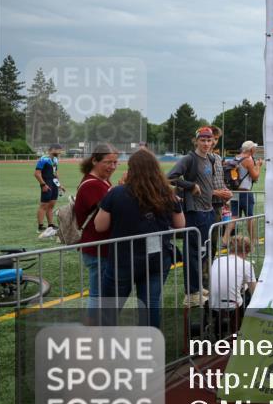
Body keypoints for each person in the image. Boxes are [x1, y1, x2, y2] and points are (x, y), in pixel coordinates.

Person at [95, 150, 185, 329]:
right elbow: (180, 224)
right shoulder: (167, 193)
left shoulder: (117, 192)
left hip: (123, 259)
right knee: (150, 306)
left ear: (131, 170)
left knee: (110, 308)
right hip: (157, 258)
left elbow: (100, 226)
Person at [167, 127, 233, 307]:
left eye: (209, 140)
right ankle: (191, 294)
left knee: (203, 252)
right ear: (196, 141)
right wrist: (190, 185)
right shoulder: (189, 159)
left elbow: (209, 185)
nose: (206, 143)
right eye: (202, 140)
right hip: (194, 211)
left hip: (208, 210)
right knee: (193, 253)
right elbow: (169, 178)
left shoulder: (210, 159)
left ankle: (197, 287)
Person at [73, 144, 119, 321]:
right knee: (98, 294)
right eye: (108, 162)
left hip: (101, 246)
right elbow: (111, 211)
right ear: (94, 161)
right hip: (97, 248)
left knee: (101, 293)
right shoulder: (92, 185)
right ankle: (93, 329)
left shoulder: (101, 181)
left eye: (115, 162)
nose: (112, 167)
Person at [209, 236, 257, 335]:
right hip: (233, 305)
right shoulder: (246, 264)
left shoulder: (217, 260)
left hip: (212, 303)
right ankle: (247, 326)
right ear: (246, 251)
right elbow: (254, 291)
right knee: (249, 295)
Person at [222, 141, 263, 246]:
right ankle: (253, 240)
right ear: (251, 149)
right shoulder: (248, 159)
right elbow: (255, 177)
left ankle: (225, 240)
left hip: (235, 191)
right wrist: (258, 166)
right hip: (245, 192)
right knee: (250, 217)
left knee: (234, 217)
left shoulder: (236, 157)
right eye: (254, 148)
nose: (255, 150)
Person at [34, 144, 66, 237]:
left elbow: (55, 173)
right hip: (46, 183)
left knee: (51, 205)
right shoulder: (43, 159)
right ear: (52, 150)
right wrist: (43, 184)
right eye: (58, 150)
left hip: (53, 183)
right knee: (44, 205)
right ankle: (40, 227)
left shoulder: (55, 160)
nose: (60, 152)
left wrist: (59, 185)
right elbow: (37, 173)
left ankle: (50, 225)